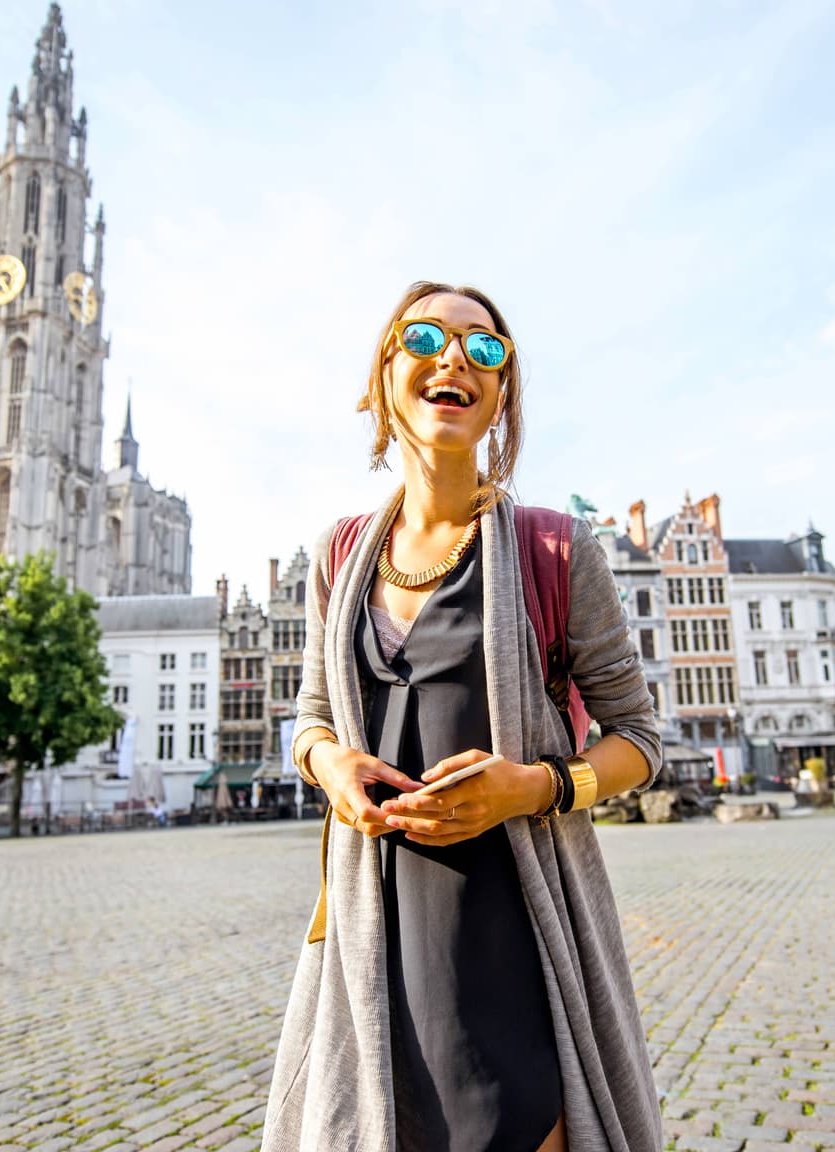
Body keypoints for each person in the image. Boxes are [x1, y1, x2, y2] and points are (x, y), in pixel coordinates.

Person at [263, 282, 663, 1151]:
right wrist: (330, 768)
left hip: (518, 930)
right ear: (383, 375)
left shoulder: (555, 549)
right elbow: (312, 717)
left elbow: (640, 738)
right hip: (376, 931)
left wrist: (536, 787)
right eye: (427, 338)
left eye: (486, 350)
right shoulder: (339, 555)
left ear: (501, 398)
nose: (456, 358)